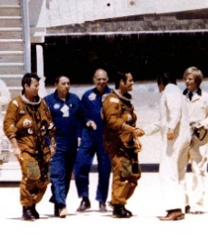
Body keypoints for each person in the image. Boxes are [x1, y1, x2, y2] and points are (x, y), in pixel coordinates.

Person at [5, 73, 53, 220]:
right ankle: (26, 207)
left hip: (41, 146)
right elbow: (8, 125)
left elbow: (49, 124)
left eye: (38, 85)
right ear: (26, 86)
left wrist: (53, 144)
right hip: (25, 146)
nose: (37, 88)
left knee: (43, 179)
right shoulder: (16, 104)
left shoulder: (41, 104)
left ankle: (33, 204)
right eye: (35, 85)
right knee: (31, 174)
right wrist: (15, 146)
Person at [102, 71, 142, 218]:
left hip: (129, 145)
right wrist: (128, 127)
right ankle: (118, 205)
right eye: (129, 80)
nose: (132, 83)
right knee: (122, 173)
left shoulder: (126, 101)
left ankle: (118, 200)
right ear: (121, 82)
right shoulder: (112, 101)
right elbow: (112, 121)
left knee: (135, 174)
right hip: (117, 145)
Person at [74, 68, 113, 212]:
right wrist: (87, 122)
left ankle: (102, 200)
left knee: (105, 169)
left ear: (107, 79)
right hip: (89, 136)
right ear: (94, 80)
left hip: (106, 138)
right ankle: (84, 198)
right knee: (80, 166)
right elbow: (81, 116)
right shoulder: (87, 95)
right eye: (98, 79)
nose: (101, 82)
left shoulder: (113, 95)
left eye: (104, 79)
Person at [180, 67, 208, 215]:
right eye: (186, 79)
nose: (187, 82)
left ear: (197, 80)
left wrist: (201, 125)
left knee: (199, 170)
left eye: (190, 79)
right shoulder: (180, 97)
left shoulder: (206, 98)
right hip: (183, 137)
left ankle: (198, 204)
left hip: (199, 138)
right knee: (180, 170)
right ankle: (183, 203)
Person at [45, 75, 83, 217]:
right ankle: (61, 204)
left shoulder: (75, 100)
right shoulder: (48, 101)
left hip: (72, 141)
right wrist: (49, 143)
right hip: (57, 141)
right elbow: (44, 124)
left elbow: (81, 119)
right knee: (57, 173)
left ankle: (59, 201)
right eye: (63, 83)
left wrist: (80, 136)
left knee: (67, 175)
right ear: (56, 84)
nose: (66, 86)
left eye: (68, 83)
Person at [153, 72, 187, 221]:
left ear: (161, 82)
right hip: (182, 138)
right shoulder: (177, 91)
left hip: (175, 139)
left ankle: (174, 209)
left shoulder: (170, 90)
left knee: (167, 172)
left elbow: (175, 112)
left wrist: (171, 128)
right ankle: (179, 208)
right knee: (178, 174)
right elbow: (162, 121)